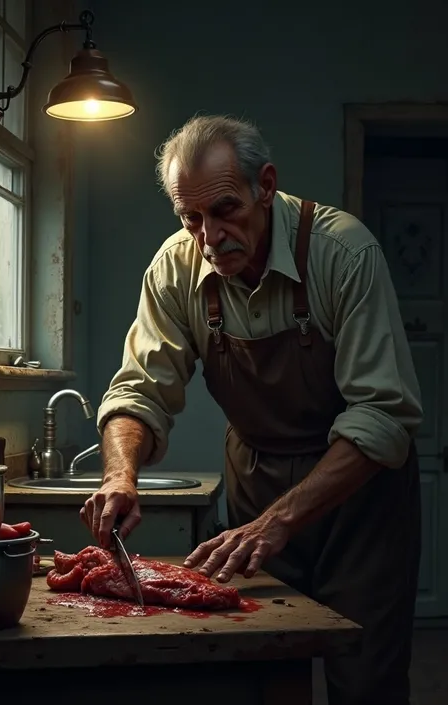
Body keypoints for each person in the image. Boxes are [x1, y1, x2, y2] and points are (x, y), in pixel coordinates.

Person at [80, 114, 423, 705]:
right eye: (191, 218)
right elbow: (139, 389)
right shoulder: (175, 266)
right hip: (256, 483)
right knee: (256, 668)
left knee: (366, 679)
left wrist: (280, 521)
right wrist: (120, 474)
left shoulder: (344, 252)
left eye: (225, 211)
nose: (209, 237)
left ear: (265, 186)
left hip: (360, 501)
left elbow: (383, 414)